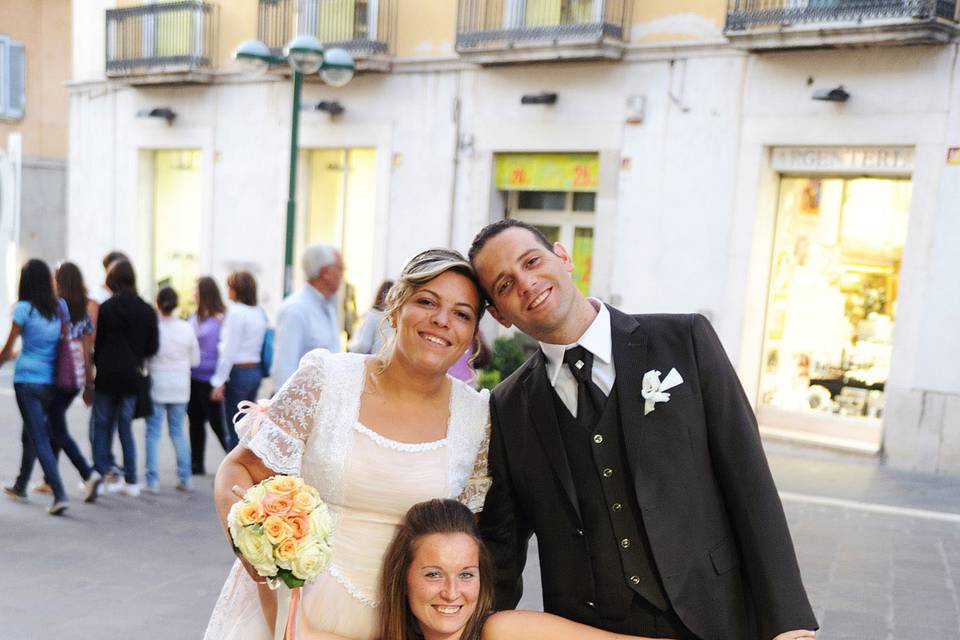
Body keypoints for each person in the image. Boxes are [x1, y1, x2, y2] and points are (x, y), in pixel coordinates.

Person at [469, 219, 818, 640]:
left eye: (532, 261)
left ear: (564, 257)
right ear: (498, 315)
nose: (526, 283)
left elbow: (750, 481)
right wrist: (470, 627)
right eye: (505, 285)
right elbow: (502, 547)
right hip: (594, 627)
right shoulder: (508, 406)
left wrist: (789, 621)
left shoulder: (685, 339)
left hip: (715, 613)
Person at [204, 249, 491, 640]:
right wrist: (251, 550)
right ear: (395, 309)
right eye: (427, 302)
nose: (442, 320)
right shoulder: (327, 379)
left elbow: (467, 534)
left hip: (404, 625)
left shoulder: (476, 417)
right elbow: (239, 469)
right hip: (291, 612)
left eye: (462, 313)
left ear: (472, 335)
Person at [378, 498, 677, 640]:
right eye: (433, 574)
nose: (452, 592)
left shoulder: (502, 631)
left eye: (467, 574)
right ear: (403, 578)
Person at [1, 259, 101, 514]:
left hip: (26, 380)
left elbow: (8, 347)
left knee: (40, 435)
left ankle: (59, 493)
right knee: (34, 430)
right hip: (51, 381)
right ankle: (22, 483)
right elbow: (64, 340)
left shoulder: (23, 309)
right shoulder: (60, 308)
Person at [91, 259, 159, 498]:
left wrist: (96, 367)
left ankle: (98, 477)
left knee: (101, 426)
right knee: (125, 428)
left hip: (107, 375)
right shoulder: (147, 310)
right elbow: (153, 346)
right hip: (132, 376)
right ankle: (131, 481)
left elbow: (98, 345)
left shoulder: (107, 307)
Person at [145, 286, 200, 492]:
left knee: (153, 432)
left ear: (157, 303)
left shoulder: (154, 327)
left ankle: (152, 480)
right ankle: (185, 477)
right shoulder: (186, 328)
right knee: (178, 431)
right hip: (180, 385)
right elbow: (195, 360)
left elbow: (147, 357)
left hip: (158, 382)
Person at [271, 243, 343, 388]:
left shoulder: (328, 306)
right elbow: (284, 368)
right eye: (340, 268)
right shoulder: (296, 309)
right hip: (301, 403)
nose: (342, 274)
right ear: (325, 272)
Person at [210, 271, 268, 449]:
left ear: (236, 290)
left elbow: (229, 349)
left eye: (230, 287)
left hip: (238, 372)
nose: (227, 291)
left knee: (234, 429)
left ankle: (232, 475)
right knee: (247, 429)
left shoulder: (236, 313)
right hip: (255, 371)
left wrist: (218, 381)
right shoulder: (259, 312)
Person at [88, 250, 129, 487]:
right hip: (103, 365)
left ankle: (106, 463)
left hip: (111, 365)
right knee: (102, 420)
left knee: (109, 419)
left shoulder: (120, 298)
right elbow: (91, 333)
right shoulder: (98, 296)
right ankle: (101, 465)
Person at [188, 276, 229, 475]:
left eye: (196, 291)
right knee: (195, 420)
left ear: (205, 293)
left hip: (211, 379)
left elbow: (225, 351)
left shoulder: (221, 319)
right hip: (192, 376)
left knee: (217, 423)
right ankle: (196, 463)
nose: (193, 294)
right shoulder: (194, 316)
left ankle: (232, 458)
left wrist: (222, 382)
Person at [347, 279, 394, 355]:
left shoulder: (373, 315)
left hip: (376, 362)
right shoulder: (398, 317)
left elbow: (363, 346)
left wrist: (349, 345)